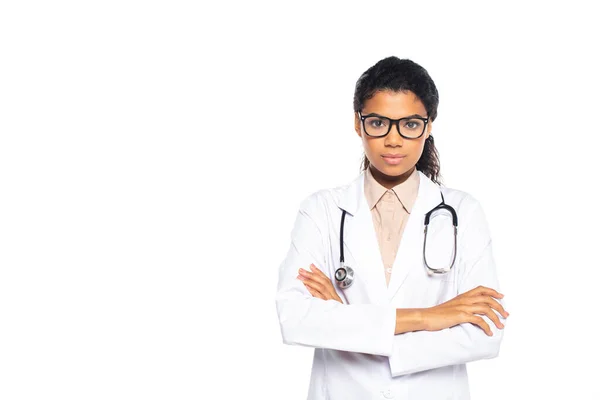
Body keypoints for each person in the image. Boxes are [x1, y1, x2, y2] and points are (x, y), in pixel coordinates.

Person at [275, 56, 508, 400]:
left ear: (429, 126)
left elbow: (485, 333)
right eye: (379, 123)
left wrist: (347, 321)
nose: (394, 139)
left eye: (410, 124)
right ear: (358, 123)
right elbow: (295, 318)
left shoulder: (464, 212)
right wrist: (430, 317)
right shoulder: (321, 211)